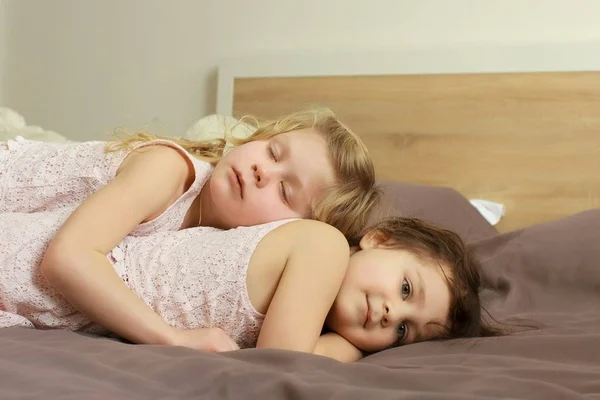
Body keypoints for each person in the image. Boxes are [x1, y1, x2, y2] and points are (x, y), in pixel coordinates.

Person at [0, 214, 497, 363]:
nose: (391, 314)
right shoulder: (322, 247)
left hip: (64, 305)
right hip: (50, 273)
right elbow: (282, 358)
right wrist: (347, 349)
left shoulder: (313, 306)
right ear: (378, 239)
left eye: (404, 333)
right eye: (406, 288)